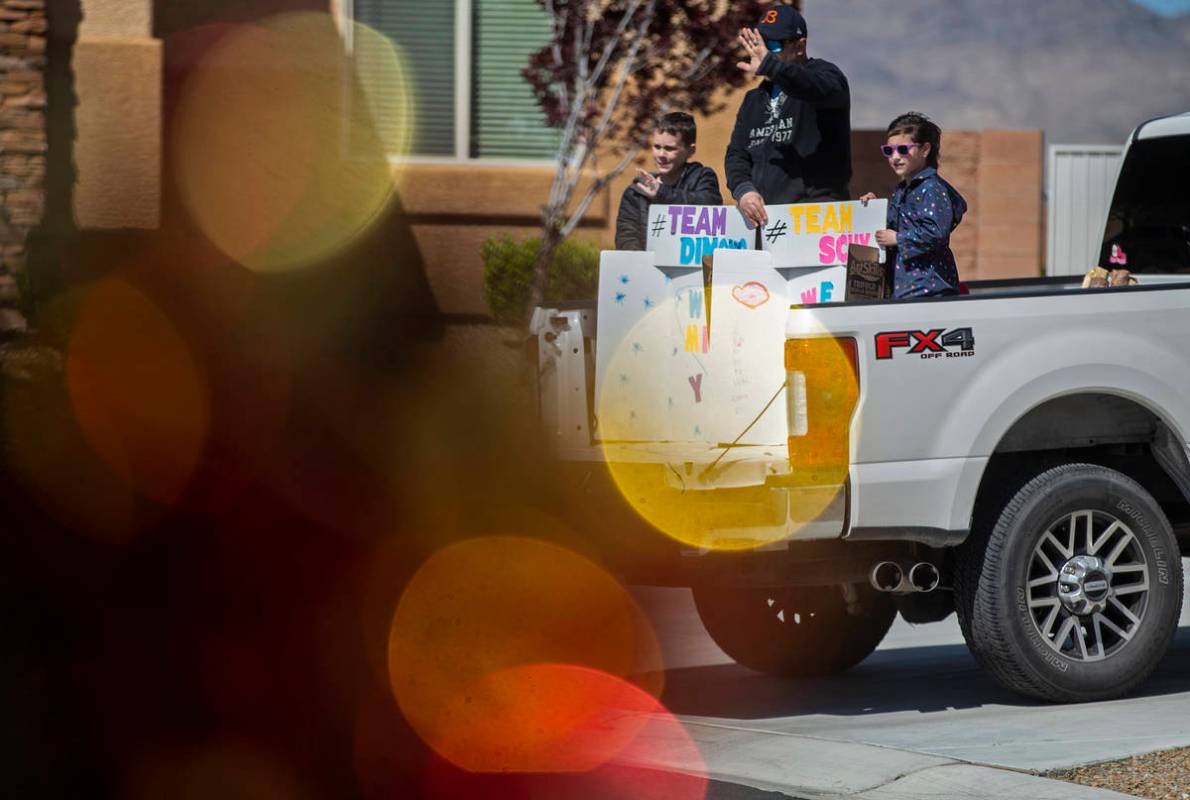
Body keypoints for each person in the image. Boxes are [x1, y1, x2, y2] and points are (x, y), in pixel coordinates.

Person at [726, 5, 851, 227]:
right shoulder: (753, 100)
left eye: (772, 45)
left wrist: (771, 66)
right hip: (765, 221)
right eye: (761, 42)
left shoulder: (826, 76)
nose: (762, 51)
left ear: (800, 46)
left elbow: (808, 85)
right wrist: (743, 191)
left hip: (816, 218)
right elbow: (737, 154)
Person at [860, 112, 968, 298]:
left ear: (925, 150)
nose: (895, 157)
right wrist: (875, 210)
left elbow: (936, 233)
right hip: (905, 286)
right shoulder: (903, 189)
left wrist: (898, 239)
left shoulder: (931, 188)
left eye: (903, 149)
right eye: (889, 151)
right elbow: (897, 227)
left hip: (929, 288)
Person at [615, 112, 723, 250]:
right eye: (657, 147)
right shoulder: (636, 192)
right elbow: (626, 238)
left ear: (690, 150)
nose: (661, 155)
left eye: (669, 148)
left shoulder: (702, 177)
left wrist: (661, 192)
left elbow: (710, 206)